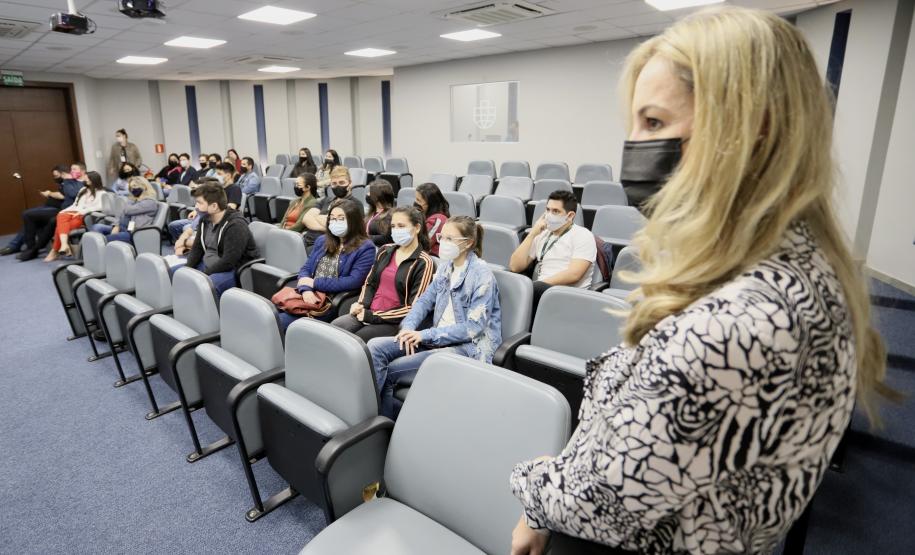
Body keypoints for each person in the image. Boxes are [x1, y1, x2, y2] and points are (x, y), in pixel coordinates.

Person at [508, 8, 899, 555]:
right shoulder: (788, 265)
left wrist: (535, 485)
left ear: (749, 126)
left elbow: (603, 500)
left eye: (654, 123)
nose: (634, 150)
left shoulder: (738, 322)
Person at [366, 216, 501, 418]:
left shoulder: (482, 276)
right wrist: (408, 328)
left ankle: (380, 425)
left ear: (468, 243)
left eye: (449, 239)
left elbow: (473, 328)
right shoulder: (447, 267)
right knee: (375, 347)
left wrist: (425, 335)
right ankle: (379, 418)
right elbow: (423, 301)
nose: (443, 243)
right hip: (436, 339)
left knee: (391, 372)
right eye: (442, 237)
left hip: (467, 347)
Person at [332, 206, 435, 342]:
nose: (396, 230)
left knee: (357, 340)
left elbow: (414, 308)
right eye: (393, 226)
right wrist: (361, 304)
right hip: (368, 311)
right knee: (334, 329)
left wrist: (373, 316)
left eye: (401, 226)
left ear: (417, 228)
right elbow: (370, 283)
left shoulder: (424, 262)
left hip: (393, 321)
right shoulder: (384, 250)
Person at [277, 199, 375, 330]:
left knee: (280, 322)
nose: (335, 222)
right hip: (307, 295)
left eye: (341, 219)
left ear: (353, 221)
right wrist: (306, 290)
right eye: (333, 218)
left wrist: (315, 283)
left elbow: (354, 281)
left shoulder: (365, 247)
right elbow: (306, 269)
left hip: (329, 302)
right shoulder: (322, 240)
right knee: (270, 315)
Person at [508, 190, 596, 308]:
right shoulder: (542, 233)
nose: (549, 215)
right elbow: (515, 266)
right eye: (548, 210)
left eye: (556, 211)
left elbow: (574, 274)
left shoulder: (583, 235)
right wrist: (532, 234)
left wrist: (536, 286)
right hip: (540, 291)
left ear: (570, 216)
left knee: (524, 293)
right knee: (508, 284)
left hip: (568, 294)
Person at [184, 182, 259, 297]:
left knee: (204, 286)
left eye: (199, 203)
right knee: (179, 273)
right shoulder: (205, 220)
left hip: (233, 270)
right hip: (209, 264)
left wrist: (203, 275)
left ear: (214, 206)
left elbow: (228, 262)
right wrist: (186, 270)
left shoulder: (236, 225)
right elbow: (197, 249)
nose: (196, 207)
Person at [2, 165, 73, 256]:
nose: (55, 178)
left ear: (63, 173)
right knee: (30, 216)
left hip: (59, 209)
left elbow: (63, 195)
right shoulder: (64, 183)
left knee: (28, 215)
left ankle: (21, 246)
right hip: (50, 206)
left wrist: (49, 193)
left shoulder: (71, 183)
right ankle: (16, 245)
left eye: (56, 176)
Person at [43, 170, 105, 261]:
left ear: (93, 180)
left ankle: (55, 251)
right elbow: (75, 205)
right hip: (74, 212)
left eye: (87, 178)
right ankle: (64, 245)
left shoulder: (102, 193)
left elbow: (100, 207)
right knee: (61, 215)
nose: (84, 179)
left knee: (60, 228)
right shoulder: (83, 190)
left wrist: (82, 212)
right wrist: (64, 211)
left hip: (85, 216)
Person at [90, 176, 158, 244]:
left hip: (135, 232)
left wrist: (130, 202)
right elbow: (120, 213)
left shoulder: (150, 202)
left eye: (135, 186)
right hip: (124, 228)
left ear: (144, 186)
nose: (133, 189)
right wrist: (116, 226)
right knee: (97, 227)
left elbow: (127, 210)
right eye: (131, 187)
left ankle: (98, 250)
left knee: (105, 239)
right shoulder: (134, 200)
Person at [304, 165, 359, 249]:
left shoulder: (355, 204)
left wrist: (317, 217)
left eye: (341, 183)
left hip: (328, 246)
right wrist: (329, 226)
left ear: (350, 183)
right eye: (334, 183)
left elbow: (343, 230)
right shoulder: (326, 200)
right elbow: (306, 219)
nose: (337, 186)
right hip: (307, 240)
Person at [413, 182, 450, 256]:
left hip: (432, 258)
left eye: (419, 200)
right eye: (416, 199)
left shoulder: (438, 219)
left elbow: (423, 245)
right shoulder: (424, 214)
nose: (415, 203)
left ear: (431, 203)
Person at [365, 179, 395, 246]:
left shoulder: (390, 215)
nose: (368, 194)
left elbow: (387, 238)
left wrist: (365, 238)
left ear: (379, 196)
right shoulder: (370, 213)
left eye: (370, 192)